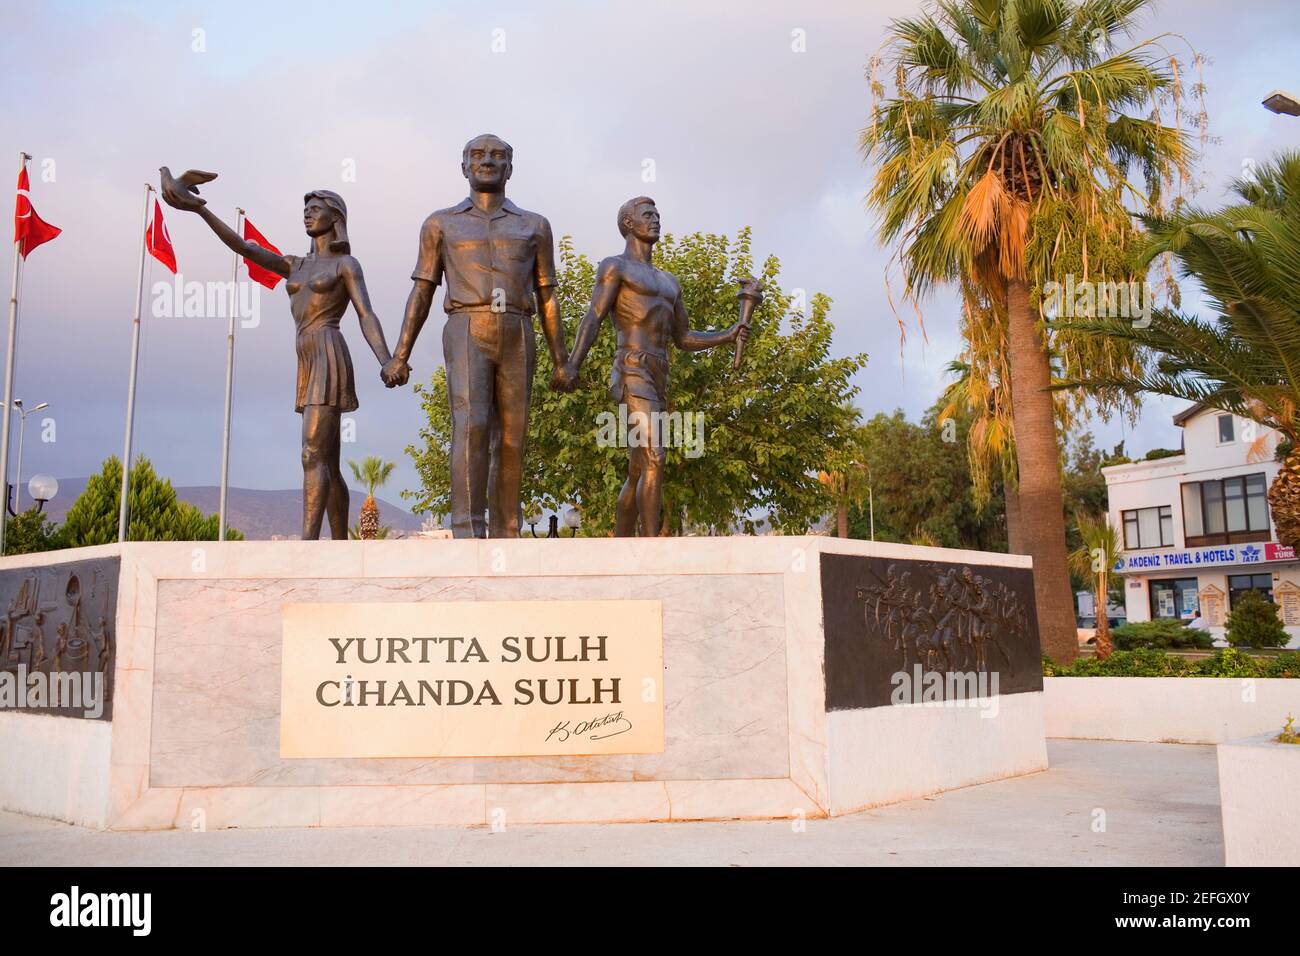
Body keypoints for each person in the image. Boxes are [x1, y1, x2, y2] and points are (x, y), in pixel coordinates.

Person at [160, 173, 393, 539]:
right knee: (327, 460)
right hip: (306, 357)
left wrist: (386, 359)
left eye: (315, 208)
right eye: (305, 209)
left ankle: (307, 544)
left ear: (335, 217)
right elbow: (243, 247)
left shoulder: (346, 265)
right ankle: (340, 545)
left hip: (328, 353)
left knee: (311, 453)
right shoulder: (294, 264)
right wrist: (199, 211)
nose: (307, 214)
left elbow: (367, 314)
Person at [381, 134, 570, 538]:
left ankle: (507, 529)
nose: (488, 161)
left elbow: (547, 296)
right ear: (464, 166)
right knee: (472, 424)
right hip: (467, 324)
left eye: (498, 156)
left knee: (514, 433)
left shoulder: (535, 225)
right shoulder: (440, 223)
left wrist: (562, 360)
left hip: (517, 327)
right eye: (478, 155)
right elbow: (422, 290)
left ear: (510, 168)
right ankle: (467, 528)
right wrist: (400, 354)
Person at [559, 197, 749, 536]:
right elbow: (593, 317)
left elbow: (684, 337)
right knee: (655, 455)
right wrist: (572, 364)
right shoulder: (615, 267)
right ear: (628, 224)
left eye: (658, 214)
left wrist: (727, 334)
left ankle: (622, 542)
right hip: (631, 367)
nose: (656, 219)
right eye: (648, 214)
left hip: (660, 372)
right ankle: (651, 549)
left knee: (638, 469)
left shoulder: (670, 281)